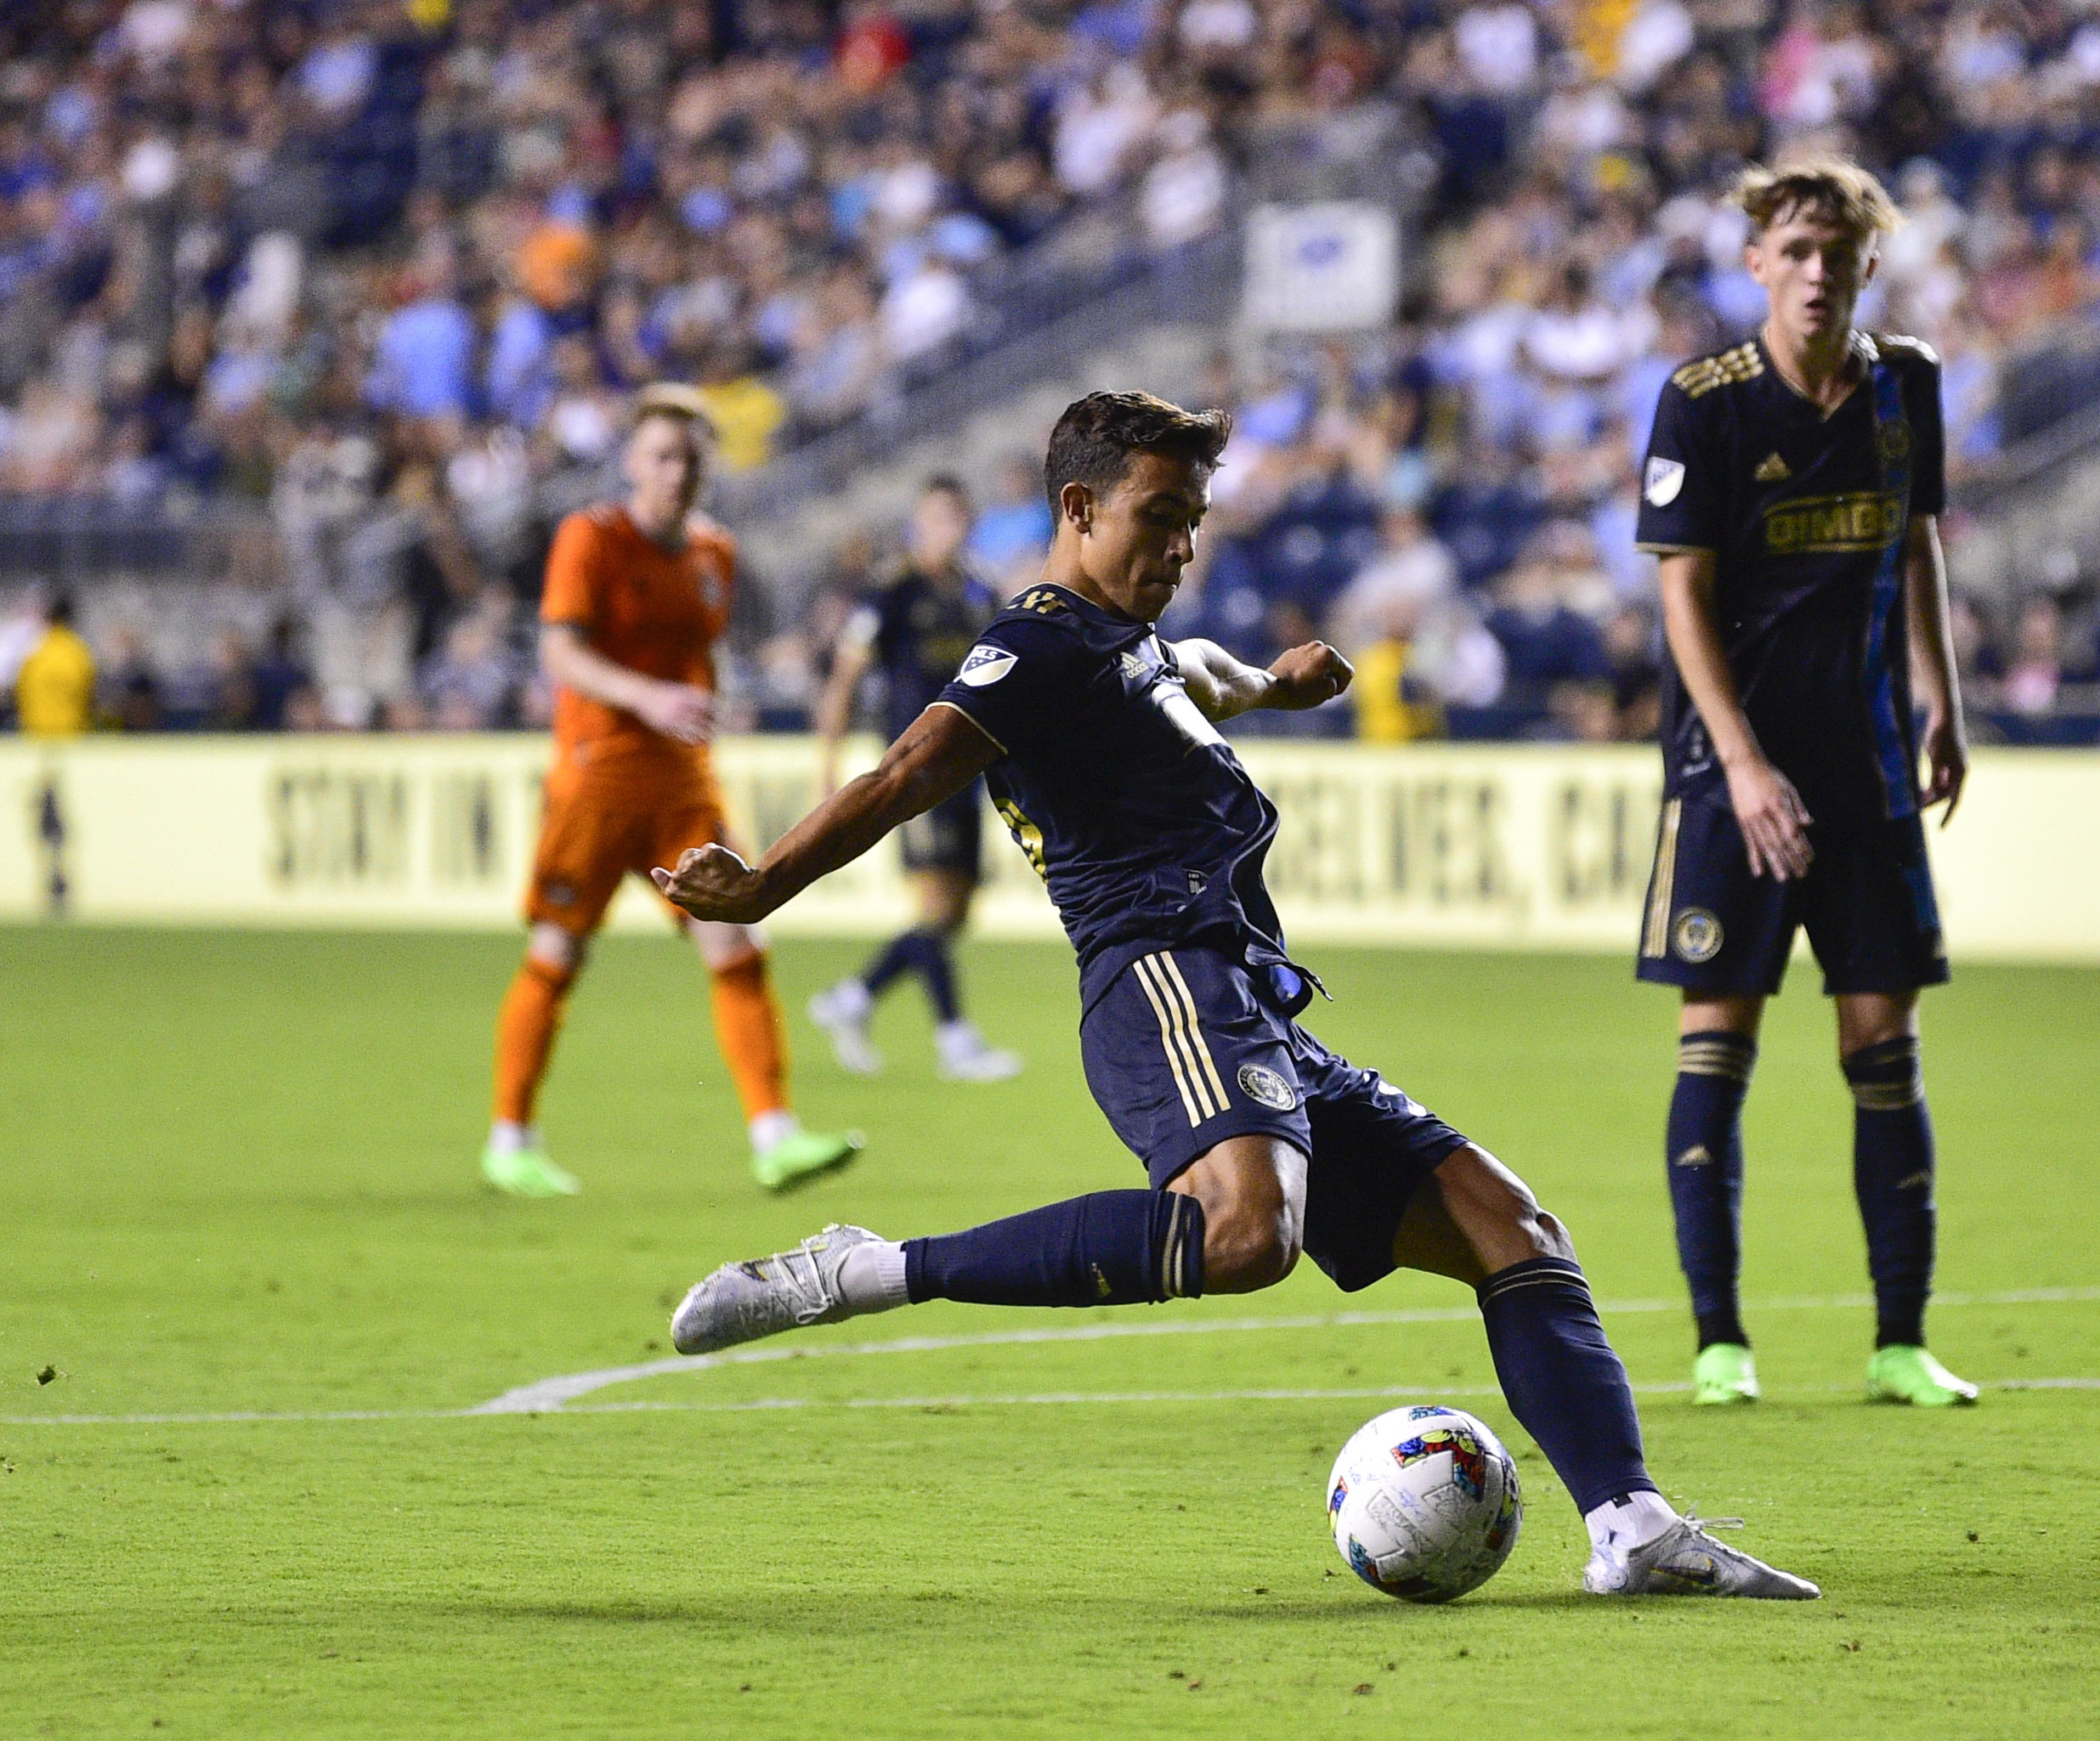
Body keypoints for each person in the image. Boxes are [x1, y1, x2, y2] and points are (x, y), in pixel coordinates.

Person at [656, 391, 1820, 1601]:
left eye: (1195, 521)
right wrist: (766, 883)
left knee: (1511, 1229)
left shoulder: (1125, 643)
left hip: (1246, 998)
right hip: (1156, 974)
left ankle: (1630, 1526)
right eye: (1160, 518)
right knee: (1245, 1234)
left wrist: (1273, 683)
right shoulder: (1034, 644)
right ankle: (860, 1270)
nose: (1182, 546)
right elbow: (909, 765)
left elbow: (1190, 676)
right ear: (1077, 507)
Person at [1632, 159, 1978, 1411]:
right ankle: (1719, 1341)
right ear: (1756, 265)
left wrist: (1942, 696)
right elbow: (1679, 594)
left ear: (1866, 265)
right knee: (1716, 1043)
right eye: (1794, 249)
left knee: (1882, 1043)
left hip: (1869, 765)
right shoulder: (1704, 402)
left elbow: (1919, 537)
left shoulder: (1908, 385)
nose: (1816, 271)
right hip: (1729, 777)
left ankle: (1899, 1342)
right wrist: (1741, 763)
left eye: (1836, 251)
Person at [483, 387, 859, 1198]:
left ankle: (776, 1136)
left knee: (737, 942)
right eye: (661, 455)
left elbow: (693, 656)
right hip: (598, 779)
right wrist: (649, 698)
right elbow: (561, 654)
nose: (677, 472)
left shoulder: (713, 553)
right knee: (557, 950)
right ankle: (509, 1138)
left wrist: (712, 700)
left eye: (691, 457)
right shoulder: (590, 537)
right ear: (631, 462)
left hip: (684, 787)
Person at [807, 478, 1022, 1082]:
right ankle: (956, 1040)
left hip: (970, 764)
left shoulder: (980, 590)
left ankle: (852, 998)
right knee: (933, 902)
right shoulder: (892, 590)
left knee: (955, 911)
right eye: (934, 518)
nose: (945, 529)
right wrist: (829, 759)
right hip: (914, 765)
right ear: (918, 522)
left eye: (955, 517)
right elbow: (847, 676)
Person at [14, 596, 96, 737]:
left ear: (48, 619)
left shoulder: (34, 651)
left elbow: (19, 690)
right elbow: (89, 694)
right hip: (71, 732)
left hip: (35, 732)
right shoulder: (78, 653)